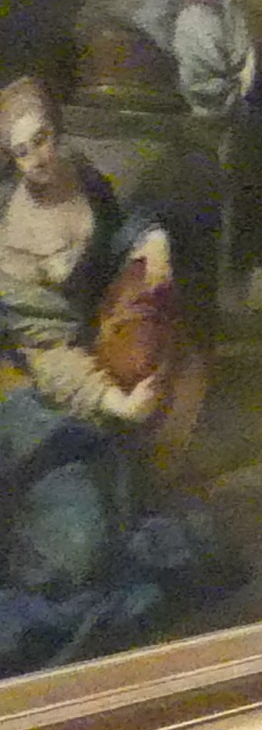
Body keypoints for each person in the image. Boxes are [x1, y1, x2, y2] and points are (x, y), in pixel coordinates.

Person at [0, 78, 215, 671]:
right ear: (10, 159)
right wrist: (110, 401)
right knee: (80, 557)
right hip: (36, 405)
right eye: (22, 151)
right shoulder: (8, 240)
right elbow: (45, 351)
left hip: (94, 360)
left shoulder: (83, 179)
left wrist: (152, 240)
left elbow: (122, 224)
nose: (39, 158)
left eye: (43, 139)